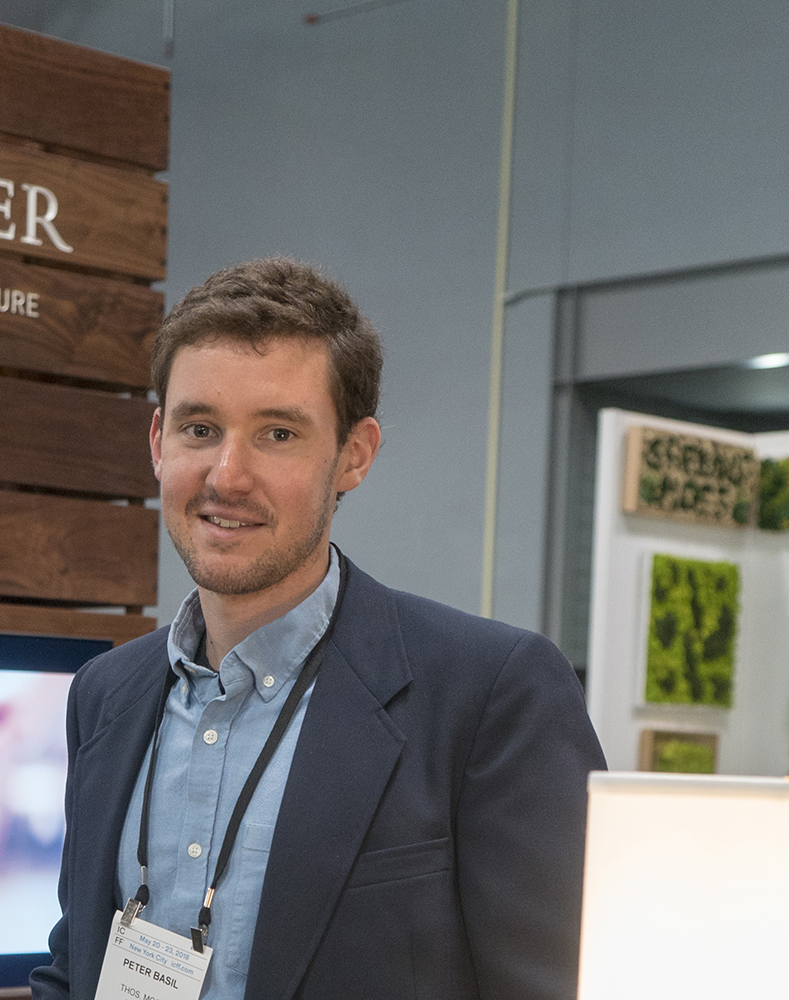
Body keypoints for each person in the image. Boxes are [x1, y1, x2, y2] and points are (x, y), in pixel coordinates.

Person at [29, 257, 606, 1000]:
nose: (227, 475)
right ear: (157, 442)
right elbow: (74, 966)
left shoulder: (490, 694)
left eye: (277, 434)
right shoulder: (105, 695)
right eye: (200, 428)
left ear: (353, 456)